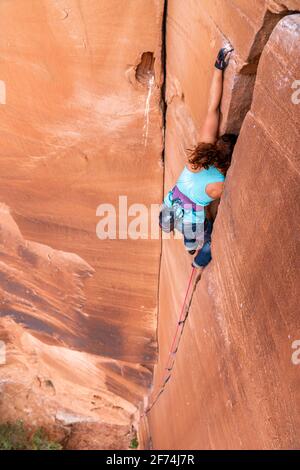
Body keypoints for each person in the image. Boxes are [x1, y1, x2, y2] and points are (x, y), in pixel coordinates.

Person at [159, 45, 237, 270]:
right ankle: (197, 261)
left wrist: (218, 68)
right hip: (190, 221)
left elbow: (214, 108)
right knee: (205, 239)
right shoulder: (220, 185)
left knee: (174, 223)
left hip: (171, 201)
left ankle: (186, 245)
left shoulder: (200, 155)